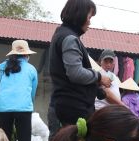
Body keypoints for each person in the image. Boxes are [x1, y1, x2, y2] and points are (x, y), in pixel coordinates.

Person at [47, 0, 111, 129]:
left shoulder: (61, 34)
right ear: (79, 15)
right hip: (74, 108)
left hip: (66, 105)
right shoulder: (70, 38)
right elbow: (75, 73)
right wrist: (99, 77)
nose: (90, 22)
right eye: (89, 17)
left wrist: (96, 88)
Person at [0, 40, 38, 141]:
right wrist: (26, 103)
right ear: (27, 55)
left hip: (3, 108)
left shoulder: (3, 67)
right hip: (23, 109)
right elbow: (33, 92)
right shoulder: (31, 69)